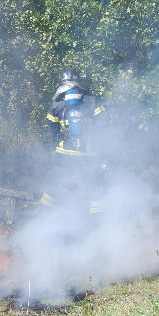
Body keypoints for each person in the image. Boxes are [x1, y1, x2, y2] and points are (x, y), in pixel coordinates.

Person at [40, 69, 107, 216]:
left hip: (65, 153)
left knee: (56, 184)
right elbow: (104, 123)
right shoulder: (91, 98)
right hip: (89, 153)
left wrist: (58, 142)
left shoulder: (57, 102)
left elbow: (52, 127)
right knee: (96, 186)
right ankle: (96, 221)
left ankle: (43, 215)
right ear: (78, 81)